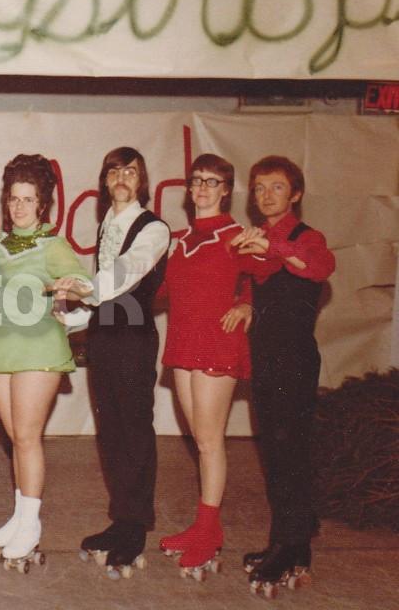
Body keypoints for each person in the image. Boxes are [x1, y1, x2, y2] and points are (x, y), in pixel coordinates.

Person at [0, 154, 89, 572]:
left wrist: (74, 287)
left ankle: (30, 525)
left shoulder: (54, 245)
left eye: (28, 200)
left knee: (27, 438)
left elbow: (83, 281)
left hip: (38, 351)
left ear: (42, 204)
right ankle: (19, 518)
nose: (19, 207)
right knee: (16, 440)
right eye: (14, 199)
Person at [53, 146, 169, 579]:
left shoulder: (154, 228)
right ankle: (121, 519)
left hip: (135, 341)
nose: (122, 177)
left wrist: (81, 287)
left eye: (131, 171)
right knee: (112, 432)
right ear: (105, 180)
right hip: (105, 340)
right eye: (115, 170)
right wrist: (69, 320)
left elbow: (127, 274)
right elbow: (104, 300)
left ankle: (136, 526)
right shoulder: (106, 224)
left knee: (135, 430)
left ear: (142, 181)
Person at [230, 156, 335, 598]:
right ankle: (284, 542)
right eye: (259, 188)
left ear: (295, 194)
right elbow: (250, 284)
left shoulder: (306, 238)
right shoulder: (253, 240)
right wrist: (245, 301)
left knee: (291, 454)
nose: (266, 195)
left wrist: (271, 249)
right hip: (265, 359)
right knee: (272, 453)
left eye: (276, 187)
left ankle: (294, 548)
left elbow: (319, 268)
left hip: (294, 360)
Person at [156, 153, 254, 580]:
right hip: (182, 343)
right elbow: (153, 289)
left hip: (218, 342)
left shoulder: (237, 235)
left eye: (212, 182)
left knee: (211, 441)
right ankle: (201, 524)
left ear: (226, 189)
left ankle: (210, 531)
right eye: (196, 180)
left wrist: (249, 302)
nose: (202, 188)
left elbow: (263, 274)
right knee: (199, 438)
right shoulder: (178, 240)